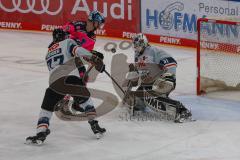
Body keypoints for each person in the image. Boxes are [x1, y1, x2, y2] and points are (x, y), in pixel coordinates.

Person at [26, 27, 106, 144]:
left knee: (46, 109)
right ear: (64, 36)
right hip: (71, 78)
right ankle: (94, 124)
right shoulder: (68, 42)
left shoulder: (48, 53)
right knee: (85, 100)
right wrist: (95, 59)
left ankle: (41, 132)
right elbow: (78, 51)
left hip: (54, 83)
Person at [124, 33, 192, 122]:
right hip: (149, 82)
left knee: (150, 97)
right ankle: (138, 105)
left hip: (164, 80)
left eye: (137, 45)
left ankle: (181, 110)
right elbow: (141, 72)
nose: (136, 47)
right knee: (139, 97)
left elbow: (172, 62)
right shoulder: (137, 55)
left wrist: (169, 76)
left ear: (143, 43)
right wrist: (134, 73)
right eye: (135, 45)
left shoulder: (153, 51)